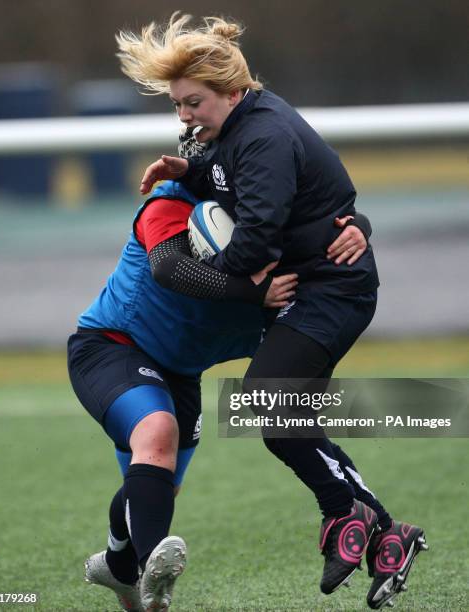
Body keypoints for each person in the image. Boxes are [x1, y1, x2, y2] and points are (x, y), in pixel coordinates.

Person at [118, 13, 428, 609]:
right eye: (178, 105)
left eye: (193, 103)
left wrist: (230, 275)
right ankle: (389, 533)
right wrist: (188, 169)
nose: (183, 117)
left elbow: (256, 237)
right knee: (288, 417)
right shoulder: (244, 127)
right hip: (321, 286)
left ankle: (345, 513)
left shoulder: (263, 134)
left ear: (232, 92)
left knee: (266, 403)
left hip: (332, 293)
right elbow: (249, 180)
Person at [68, 162, 367, 611]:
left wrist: (359, 228)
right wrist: (250, 292)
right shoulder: (173, 201)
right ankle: (152, 568)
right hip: (112, 346)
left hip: (182, 372)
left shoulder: (282, 239)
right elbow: (169, 267)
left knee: (156, 484)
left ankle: (119, 563)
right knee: (157, 433)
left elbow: (332, 231)